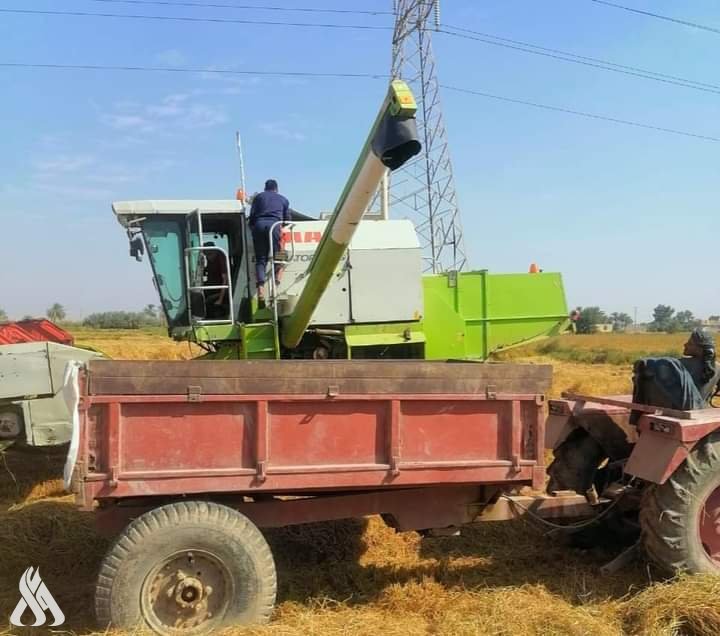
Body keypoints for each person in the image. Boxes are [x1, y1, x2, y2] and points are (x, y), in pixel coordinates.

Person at [632, 327, 719, 414]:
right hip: (703, 411)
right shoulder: (718, 367)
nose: (685, 345)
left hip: (681, 413)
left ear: (699, 349)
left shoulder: (680, 365)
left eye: (690, 343)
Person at [249, 179, 290, 304]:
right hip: (274, 225)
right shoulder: (283, 199)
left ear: (265, 188)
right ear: (276, 189)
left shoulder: (258, 198)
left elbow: (252, 216)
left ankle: (261, 289)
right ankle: (275, 286)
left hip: (259, 226)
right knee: (280, 257)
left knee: (261, 259)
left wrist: (253, 227)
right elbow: (287, 219)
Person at [202, 242, 228, 318]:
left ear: (214, 252)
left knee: (206, 301)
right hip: (212, 287)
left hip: (220, 291)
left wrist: (220, 299)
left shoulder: (221, 258)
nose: (207, 258)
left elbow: (225, 281)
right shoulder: (211, 260)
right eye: (205, 255)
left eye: (208, 255)